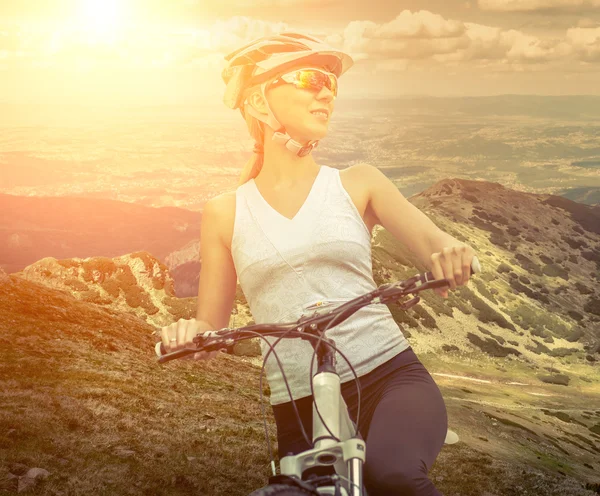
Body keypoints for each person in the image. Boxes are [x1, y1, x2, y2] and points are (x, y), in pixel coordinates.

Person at [161, 31, 476, 495]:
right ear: (257, 102)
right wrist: (189, 332)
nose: (326, 90)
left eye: (332, 82)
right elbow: (213, 323)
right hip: (297, 401)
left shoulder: (358, 183)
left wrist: (453, 253)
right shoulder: (225, 212)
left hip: (389, 376)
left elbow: (435, 242)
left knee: (393, 476)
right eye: (310, 77)